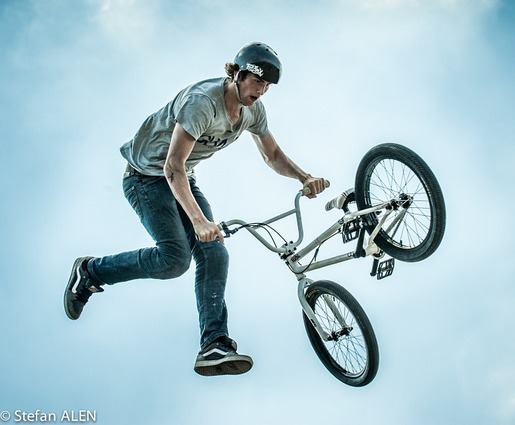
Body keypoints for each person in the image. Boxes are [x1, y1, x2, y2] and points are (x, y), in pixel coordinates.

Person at [63, 42, 326, 376]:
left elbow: (271, 155)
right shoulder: (202, 102)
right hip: (146, 177)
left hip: (182, 178)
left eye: (267, 86)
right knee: (174, 259)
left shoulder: (252, 111)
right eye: (257, 81)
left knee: (215, 253)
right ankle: (90, 272)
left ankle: (214, 344)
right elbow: (172, 165)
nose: (261, 91)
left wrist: (304, 177)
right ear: (238, 74)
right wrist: (199, 221)